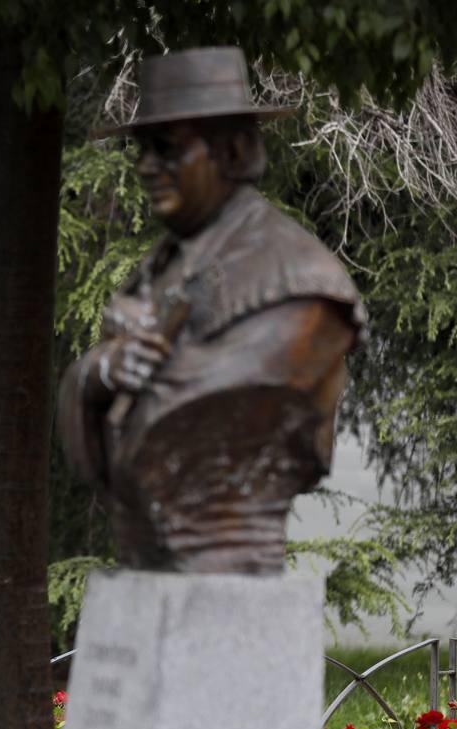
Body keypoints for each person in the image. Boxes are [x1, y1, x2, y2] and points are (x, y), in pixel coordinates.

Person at [58, 47, 367, 574]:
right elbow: (102, 425)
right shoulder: (161, 269)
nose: (146, 166)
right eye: (142, 150)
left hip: (223, 566)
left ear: (234, 153)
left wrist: (126, 372)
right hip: (147, 563)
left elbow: (179, 424)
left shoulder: (301, 286)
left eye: (167, 149)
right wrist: (96, 372)